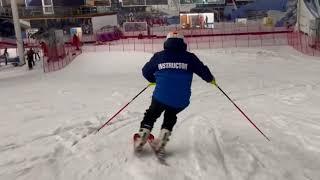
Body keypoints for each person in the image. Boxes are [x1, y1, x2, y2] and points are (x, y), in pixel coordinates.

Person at [134, 32, 216, 156]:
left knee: (152, 114)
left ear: (166, 42)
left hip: (161, 95)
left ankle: (143, 135)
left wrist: (153, 80)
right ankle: (162, 139)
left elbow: (146, 71)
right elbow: (203, 70)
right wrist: (211, 79)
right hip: (181, 99)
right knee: (171, 114)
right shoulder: (190, 57)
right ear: (183, 43)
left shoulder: (159, 56)